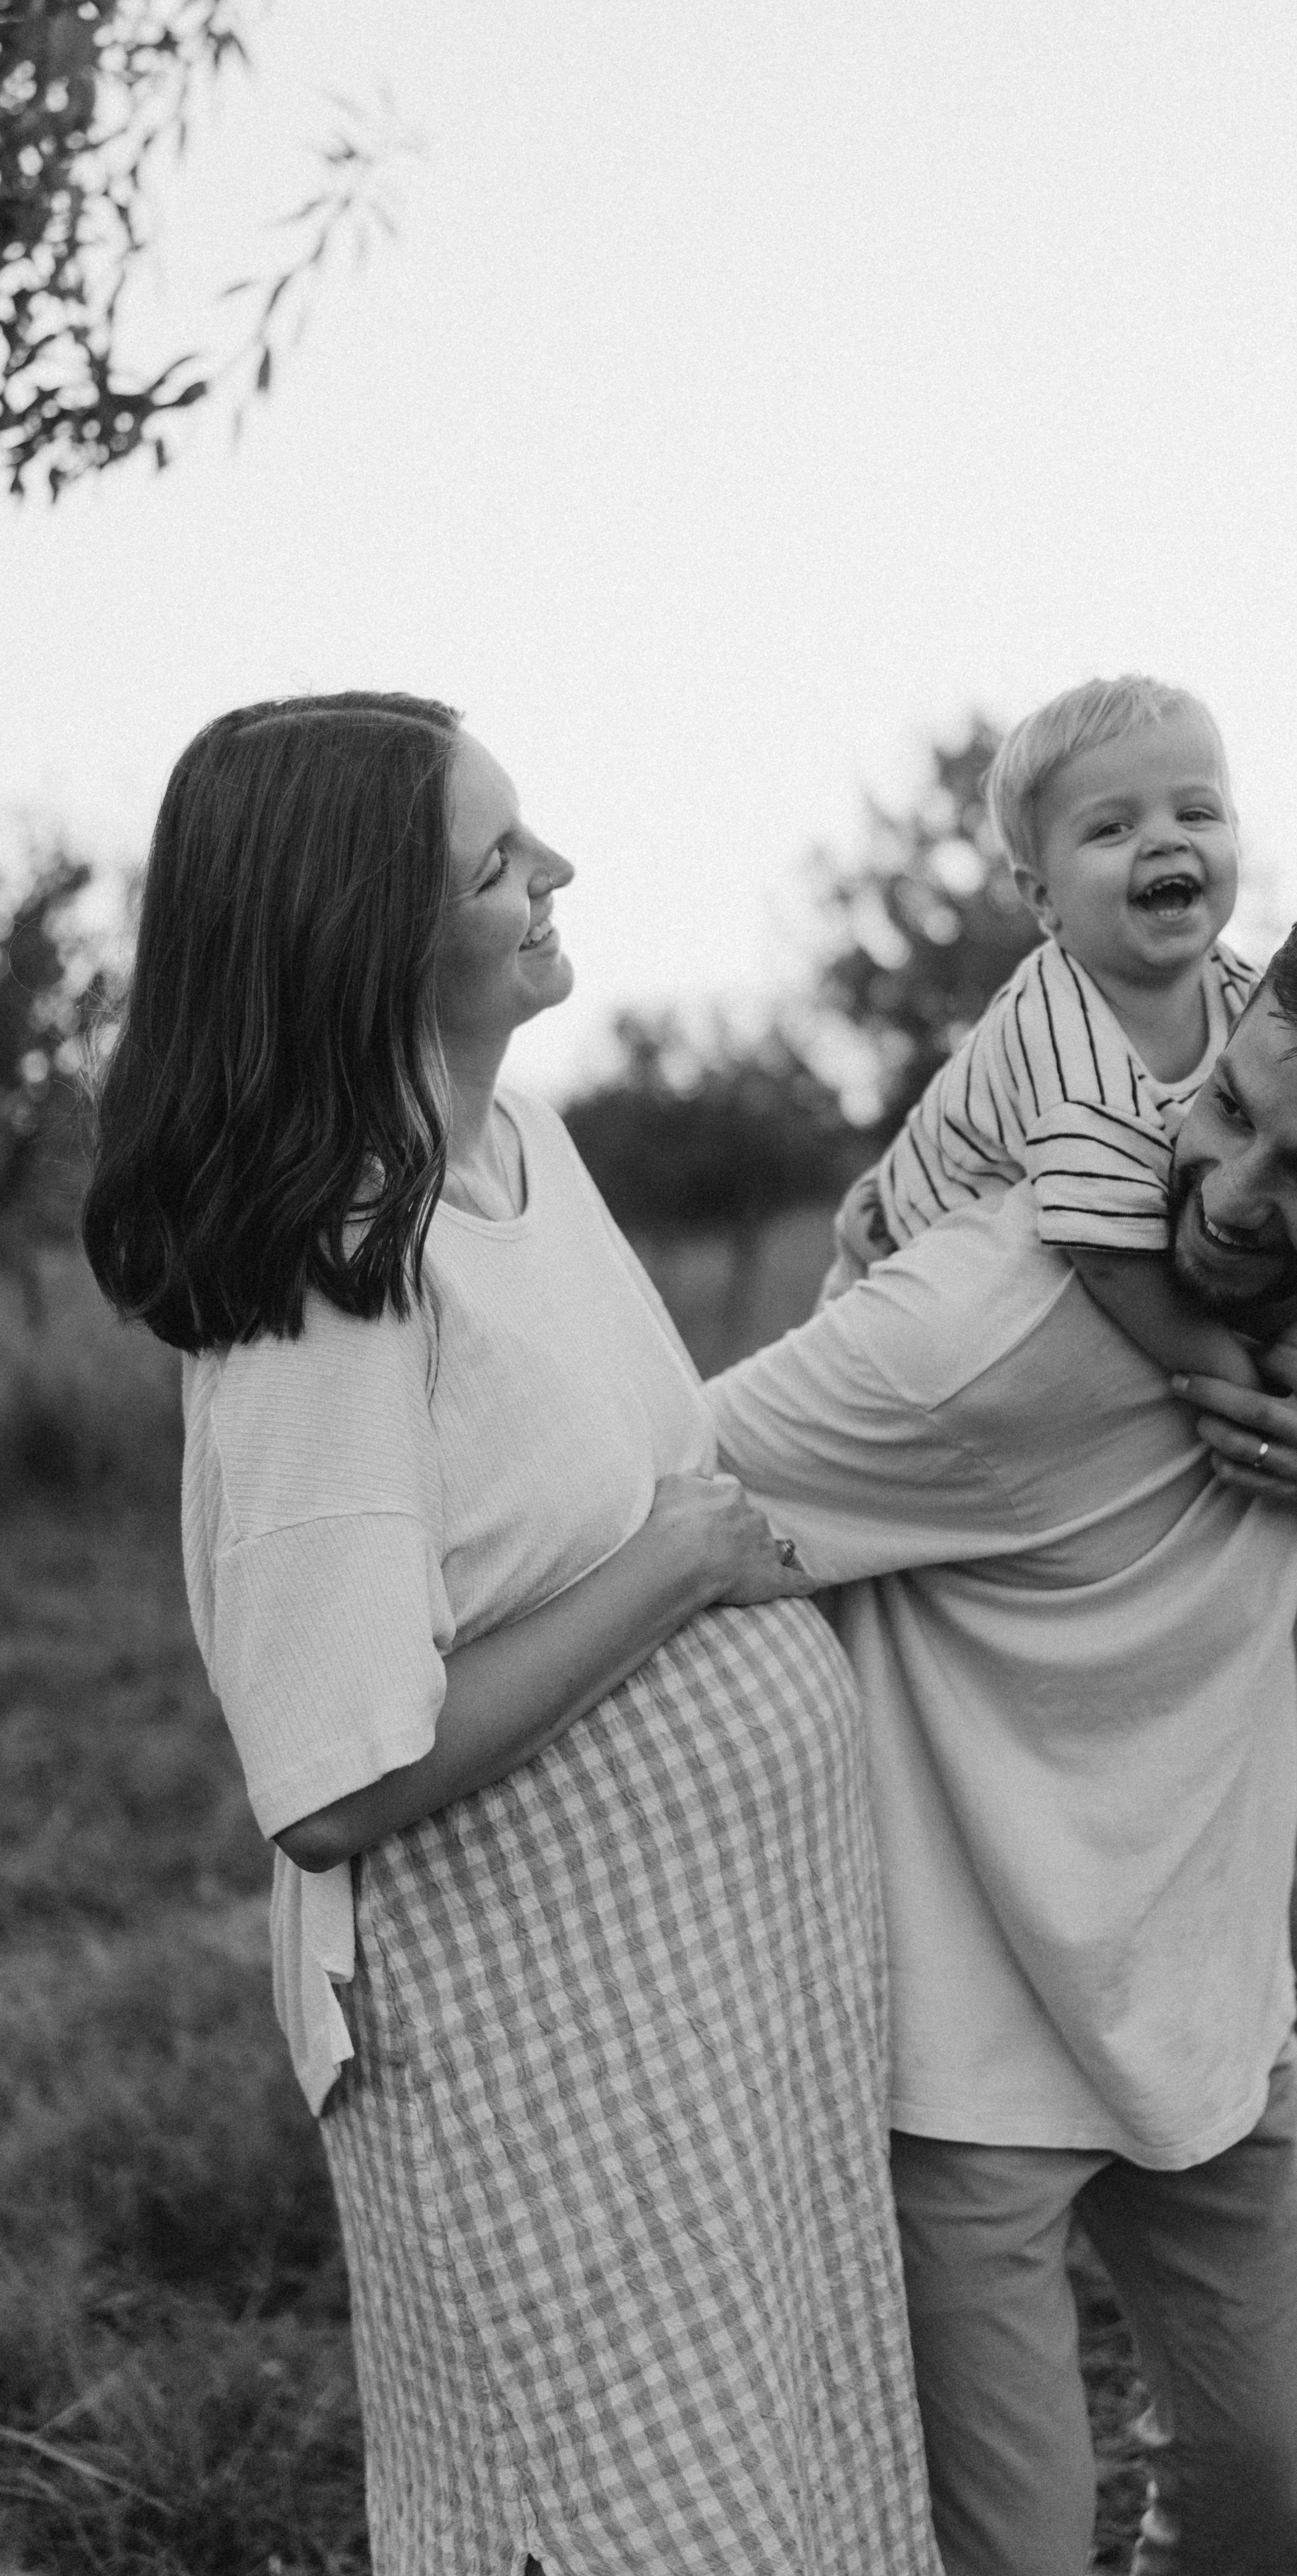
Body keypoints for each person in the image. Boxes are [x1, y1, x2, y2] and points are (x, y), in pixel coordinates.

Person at [82, 694, 939, 2576]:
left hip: (720, 1995)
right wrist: (678, 1580)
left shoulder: (521, 1144)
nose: (553, 870)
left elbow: (608, 1471)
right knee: (638, 2525)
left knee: (778, 2477)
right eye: (493, 858)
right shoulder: (325, 1279)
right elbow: (337, 1777)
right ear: (363, 942)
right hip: (547, 2035)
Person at [710, 884, 1297, 2576]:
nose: (1230, 1195)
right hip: (951, 2049)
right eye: (1227, 1107)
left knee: (1266, 2517)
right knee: (1000, 2555)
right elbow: (638, 1498)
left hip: (1218, 2010)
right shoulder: (975, 1328)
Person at [828, 674, 1297, 1384]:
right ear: (1044, 899)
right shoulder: (1060, 1040)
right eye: (1111, 827)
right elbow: (1112, 1263)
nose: (1163, 839)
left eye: (1195, 812)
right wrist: (1235, 1380)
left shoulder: (1249, 995)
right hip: (895, 1277)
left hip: (1040, 1257)